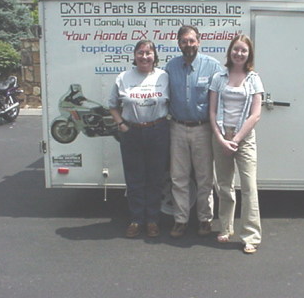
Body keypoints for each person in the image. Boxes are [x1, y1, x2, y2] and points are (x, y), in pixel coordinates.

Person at [108, 40, 169, 238]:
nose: (144, 57)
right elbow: (112, 105)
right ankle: (136, 220)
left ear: (154, 56)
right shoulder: (123, 77)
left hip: (157, 131)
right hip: (131, 133)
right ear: (134, 55)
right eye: (140, 53)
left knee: (155, 178)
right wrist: (121, 124)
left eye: (148, 53)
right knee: (134, 179)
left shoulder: (164, 76)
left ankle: (152, 220)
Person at [209, 34, 264, 254]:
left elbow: (256, 114)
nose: (239, 54)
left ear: (249, 54)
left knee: (249, 187)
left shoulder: (254, 79)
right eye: (235, 49)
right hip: (221, 136)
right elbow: (211, 112)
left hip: (244, 137)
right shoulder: (218, 78)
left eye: (243, 50)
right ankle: (225, 227)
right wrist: (222, 138)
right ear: (229, 52)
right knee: (224, 185)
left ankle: (250, 236)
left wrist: (237, 139)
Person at [166, 25, 222, 238]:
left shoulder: (212, 66)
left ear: (199, 41)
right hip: (177, 128)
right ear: (178, 43)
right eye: (184, 41)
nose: (188, 45)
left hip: (203, 129)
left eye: (192, 40)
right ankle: (180, 220)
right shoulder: (171, 67)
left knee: (204, 178)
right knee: (178, 177)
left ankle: (205, 219)